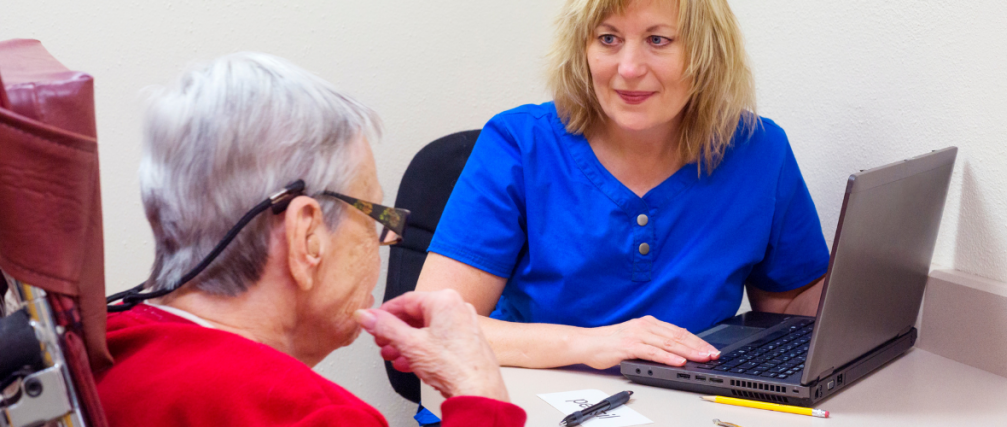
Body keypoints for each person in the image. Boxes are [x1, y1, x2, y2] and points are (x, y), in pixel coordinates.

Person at [95, 53, 526, 427]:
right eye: (374, 216)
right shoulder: (314, 417)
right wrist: (481, 395)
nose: (382, 243)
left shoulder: (106, 345)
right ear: (308, 236)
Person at [416, 0, 830, 370]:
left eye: (658, 39)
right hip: (534, 400)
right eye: (608, 38)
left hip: (686, 408)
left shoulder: (758, 150)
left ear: (707, 53)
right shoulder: (520, 144)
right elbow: (435, 325)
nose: (629, 69)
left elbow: (793, 308)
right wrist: (593, 343)